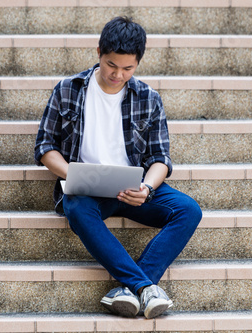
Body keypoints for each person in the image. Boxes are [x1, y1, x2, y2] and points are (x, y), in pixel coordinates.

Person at [34, 16, 202, 319]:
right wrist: (72, 174)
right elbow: (45, 147)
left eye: (128, 68)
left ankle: (131, 289)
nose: (118, 74)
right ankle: (145, 287)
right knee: (75, 206)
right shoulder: (68, 90)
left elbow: (160, 158)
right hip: (87, 188)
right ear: (99, 52)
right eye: (112, 65)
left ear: (138, 62)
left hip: (134, 187)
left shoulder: (148, 98)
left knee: (188, 210)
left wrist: (147, 188)